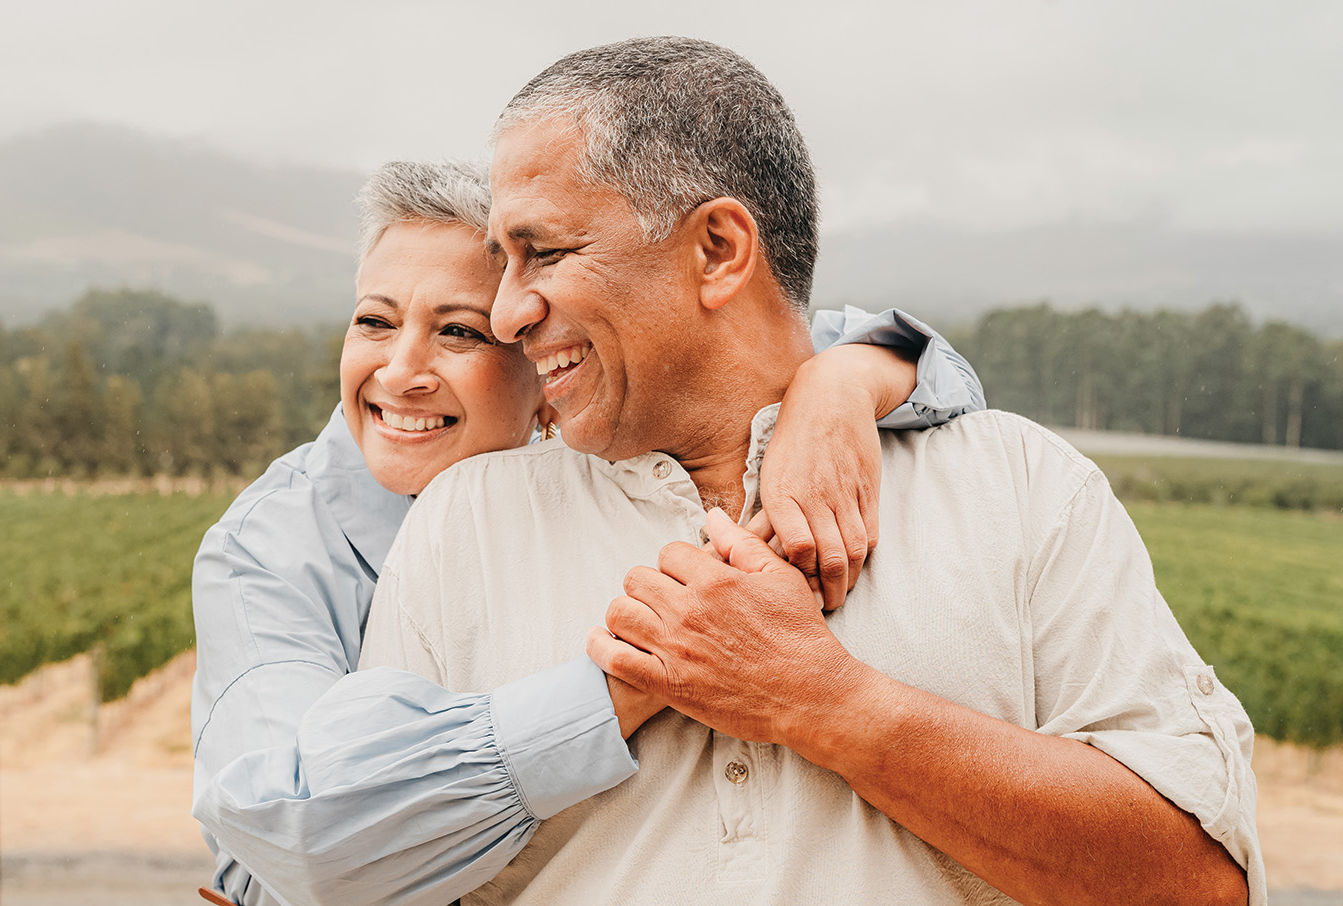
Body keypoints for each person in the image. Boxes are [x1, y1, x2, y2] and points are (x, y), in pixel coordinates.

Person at [358, 37, 1263, 906]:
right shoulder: (462, 523)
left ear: (718, 249)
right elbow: (367, 870)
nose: (509, 312)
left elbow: (1199, 885)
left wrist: (828, 702)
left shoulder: (1022, 486)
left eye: (543, 253)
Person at [191, 158, 986, 905]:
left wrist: (844, 380)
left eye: (459, 333)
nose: (400, 371)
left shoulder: (607, 463)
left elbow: (876, 349)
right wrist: (643, 671)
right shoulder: (273, 547)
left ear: (548, 357)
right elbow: (291, 833)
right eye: (373, 321)